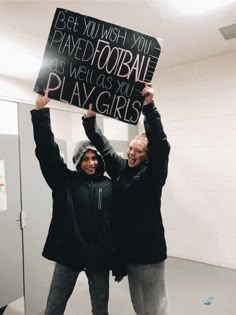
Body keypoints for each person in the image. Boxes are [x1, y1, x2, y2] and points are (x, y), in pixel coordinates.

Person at [30, 91, 125, 315]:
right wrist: (41, 114)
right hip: (68, 255)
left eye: (94, 158)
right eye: (85, 158)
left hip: (99, 259)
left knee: (100, 310)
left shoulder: (109, 186)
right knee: (53, 307)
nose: (91, 163)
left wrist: (119, 263)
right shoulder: (65, 182)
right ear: (78, 161)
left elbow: (117, 227)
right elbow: (47, 153)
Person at [82, 83, 171, 315]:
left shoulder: (152, 176)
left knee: (155, 307)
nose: (132, 153)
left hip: (150, 254)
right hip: (130, 253)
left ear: (147, 156)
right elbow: (104, 146)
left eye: (139, 151)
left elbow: (161, 146)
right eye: (131, 148)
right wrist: (90, 120)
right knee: (139, 307)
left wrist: (149, 107)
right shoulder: (121, 169)